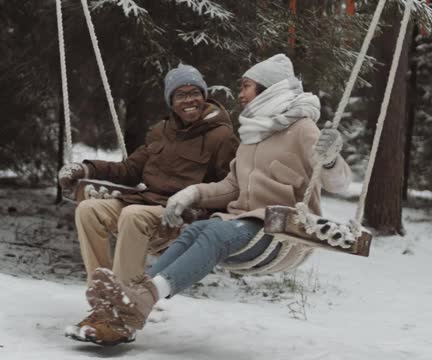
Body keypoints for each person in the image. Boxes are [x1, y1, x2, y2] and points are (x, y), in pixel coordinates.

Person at [80, 54, 352, 345]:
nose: (241, 92)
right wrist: (191, 194)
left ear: (268, 88)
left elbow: (339, 183)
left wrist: (331, 159)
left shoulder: (302, 128)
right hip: (241, 223)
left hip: (278, 230)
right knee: (198, 231)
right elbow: (231, 186)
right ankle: (131, 298)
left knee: (212, 231)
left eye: (246, 85)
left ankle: (142, 298)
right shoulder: (253, 134)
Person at [60, 64, 240, 344]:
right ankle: (103, 303)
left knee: (132, 215)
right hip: (148, 203)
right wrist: (86, 169)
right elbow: (130, 170)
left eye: (194, 93)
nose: (189, 100)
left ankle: (124, 313)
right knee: (88, 210)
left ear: (204, 95)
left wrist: (199, 209)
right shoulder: (161, 131)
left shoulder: (222, 136)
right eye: (181, 95)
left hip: (181, 218)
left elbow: (228, 189)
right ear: (171, 100)